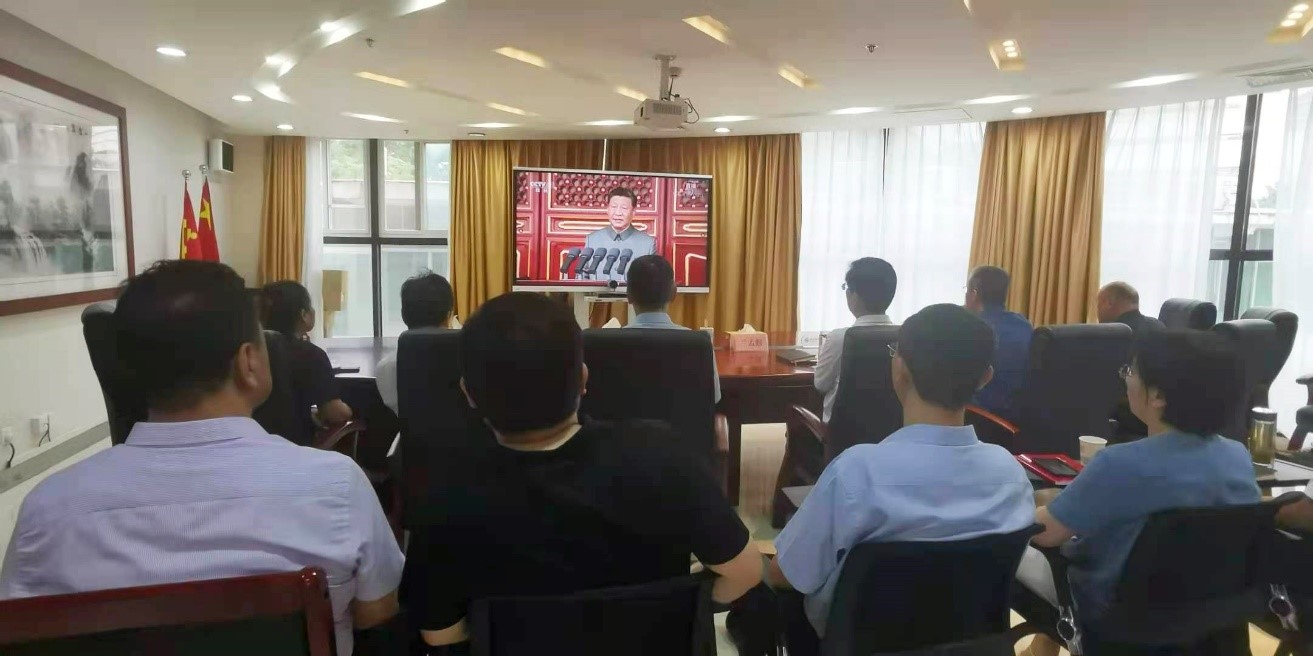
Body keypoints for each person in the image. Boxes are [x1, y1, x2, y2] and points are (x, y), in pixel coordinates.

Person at [0, 260, 403, 655]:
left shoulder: (46, 511)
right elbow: (378, 611)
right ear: (249, 362)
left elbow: (20, 634)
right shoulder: (336, 487)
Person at [399, 292, 760, 649]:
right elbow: (745, 572)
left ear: (468, 393)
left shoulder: (445, 498)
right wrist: (685, 607)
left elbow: (440, 634)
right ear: (583, 378)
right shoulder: (663, 456)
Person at [767, 303, 1036, 655]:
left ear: (899, 369)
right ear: (985, 377)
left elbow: (786, 574)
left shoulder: (857, 473)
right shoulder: (1011, 475)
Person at [1017, 330, 1261, 656]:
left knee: (1016, 552)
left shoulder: (1119, 462)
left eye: (1130, 371)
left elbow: (1046, 532)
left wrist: (1025, 507)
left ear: (1158, 395)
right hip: (1208, 619)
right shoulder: (1237, 458)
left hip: (1115, 619)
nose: (1126, 379)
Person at [260, 280, 352, 443]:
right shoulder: (312, 354)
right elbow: (335, 413)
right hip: (296, 446)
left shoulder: (249, 353)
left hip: (252, 443)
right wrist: (348, 411)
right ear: (303, 314)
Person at [624, 254, 720, 402]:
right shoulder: (699, 343)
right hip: (685, 418)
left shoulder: (602, 343)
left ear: (628, 295)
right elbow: (713, 398)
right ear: (673, 293)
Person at [815, 257, 897, 423]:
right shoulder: (905, 336)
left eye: (847, 288)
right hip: (891, 431)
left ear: (854, 295)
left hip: (842, 431)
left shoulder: (839, 338)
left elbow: (821, 384)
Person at [376, 271, 454, 415]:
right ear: (449, 315)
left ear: (403, 315)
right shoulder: (472, 363)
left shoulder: (387, 368)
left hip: (410, 431)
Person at [963, 266, 1032, 419]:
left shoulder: (971, 329)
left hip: (983, 417)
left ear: (973, 294)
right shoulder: (1024, 324)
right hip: (1019, 415)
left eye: (966, 290)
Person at [582, 187, 657, 283]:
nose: (618, 213)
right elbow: (583, 276)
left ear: (633, 212)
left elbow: (652, 281)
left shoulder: (648, 244)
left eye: (624, 208)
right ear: (607, 210)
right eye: (614, 207)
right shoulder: (592, 239)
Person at [1096, 281, 1164, 337]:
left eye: (1099, 305)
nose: (1097, 311)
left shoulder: (1108, 334)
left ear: (1109, 303)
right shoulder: (1159, 326)